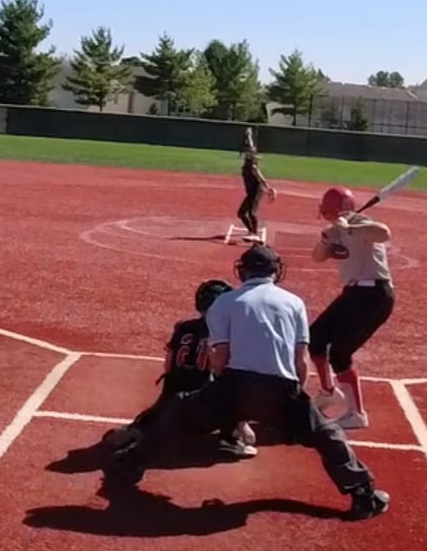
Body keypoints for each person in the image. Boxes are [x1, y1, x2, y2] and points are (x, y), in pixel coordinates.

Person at [104, 244, 390, 520]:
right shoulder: (294, 303)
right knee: (328, 435)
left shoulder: (225, 303)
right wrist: (296, 400)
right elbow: (299, 360)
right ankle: (363, 493)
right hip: (281, 389)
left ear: (242, 271)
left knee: (178, 412)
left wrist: (219, 397)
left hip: (234, 385)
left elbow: (220, 358)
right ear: (276, 271)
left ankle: (129, 464)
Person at [102, 279, 256, 460]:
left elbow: (168, 365)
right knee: (238, 383)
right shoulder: (226, 334)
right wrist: (242, 422)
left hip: (171, 400)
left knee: (167, 402)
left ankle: (140, 426)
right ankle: (231, 438)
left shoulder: (183, 327)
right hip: (201, 408)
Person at [308, 186, 395, 430]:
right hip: (354, 293)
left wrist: (350, 228)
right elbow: (317, 257)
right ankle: (328, 392)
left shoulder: (361, 222)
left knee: (339, 353)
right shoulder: (337, 229)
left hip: (374, 295)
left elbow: (384, 233)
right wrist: (326, 239)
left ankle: (356, 414)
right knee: (315, 337)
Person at [236, 128, 276, 241]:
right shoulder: (247, 164)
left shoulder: (253, 167)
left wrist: (269, 189)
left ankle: (254, 234)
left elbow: (261, 178)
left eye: (249, 154)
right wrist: (249, 136)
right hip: (251, 193)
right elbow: (251, 147)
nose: (247, 154)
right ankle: (251, 231)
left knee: (251, 213)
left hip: (256, 193)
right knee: (241, 213)